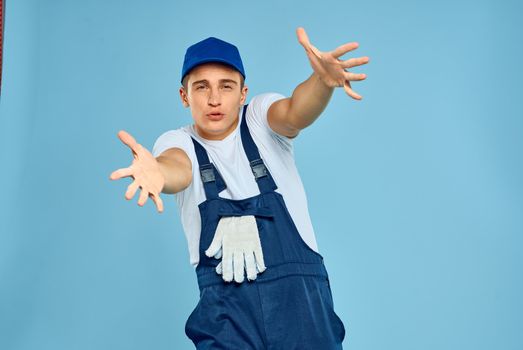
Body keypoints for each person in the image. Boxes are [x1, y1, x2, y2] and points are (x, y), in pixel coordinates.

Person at [110, 27, 369, 349]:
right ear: (184, 96)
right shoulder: (178, 141)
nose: (214, 99)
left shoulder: (261, 118)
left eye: (226, 87)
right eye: (201, 87)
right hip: (227, 314)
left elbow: (295, 113)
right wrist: (158, 175)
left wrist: (322, 83)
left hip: (301, 304)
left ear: (243, 93)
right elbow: (176, 167)